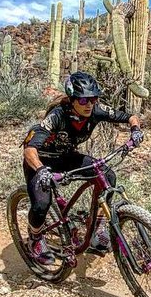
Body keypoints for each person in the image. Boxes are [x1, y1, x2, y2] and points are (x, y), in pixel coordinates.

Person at [21, 71, 143, 264]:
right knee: (41, 205)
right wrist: (41, 170)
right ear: (72, 99)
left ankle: (99, 230)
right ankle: (35, 238)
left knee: (107, 176)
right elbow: (29, 150)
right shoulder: (57, 116)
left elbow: (130, 117)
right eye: (83, 100)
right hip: (41, 162)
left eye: (93, 99)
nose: (90, 104)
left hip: (67, 157)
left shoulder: (95, 110)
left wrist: (135, 130)